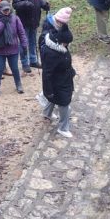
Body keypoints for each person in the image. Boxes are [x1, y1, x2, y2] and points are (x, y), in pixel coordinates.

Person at [39, 7, 75, 138]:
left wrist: (71, 71)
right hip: (59, 82)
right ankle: (63, 128)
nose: (67, 46)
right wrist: (47, 90)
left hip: (63, 79)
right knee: (64, 103)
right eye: (66, 43)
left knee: (53, 98)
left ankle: (47, 113)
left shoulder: (61, 48)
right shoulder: (52, 53)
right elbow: (47, 74)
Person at [12, 0, 50, 73]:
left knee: (33, 41)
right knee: (24, 42)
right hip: (23, 21)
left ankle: (33, 60)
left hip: (34, 19)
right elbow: (15, 5)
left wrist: (44, 4)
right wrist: (25, 4)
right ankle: (25, 63)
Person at [0, 0, 28, 96]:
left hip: (13, 49)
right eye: (4, 10)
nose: (6, 12)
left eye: (8, 10)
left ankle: (19, 85)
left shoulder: (15, 18)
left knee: (15, 68)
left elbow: (21, 33)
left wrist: (24, 44)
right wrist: (2, 23)